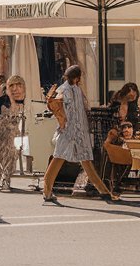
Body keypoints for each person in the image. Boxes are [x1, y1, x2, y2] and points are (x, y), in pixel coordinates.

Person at [42, 64, 115, 204]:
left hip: (78, 131)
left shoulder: (75, 89)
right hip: (69, 131)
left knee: (83, 160)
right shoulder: (64, 89)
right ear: (76, 77)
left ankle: (103, 191)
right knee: (59, 159)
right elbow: (56, 103)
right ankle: (46, 191)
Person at [0, 74, 27, 192]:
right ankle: (0, 177)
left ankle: (5, 178)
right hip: (1, 132)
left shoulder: (27, 100)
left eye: (18, 85)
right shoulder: (1, 102)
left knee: (11, 155)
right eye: (11, 86)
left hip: (14, 134)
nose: (15, 89)